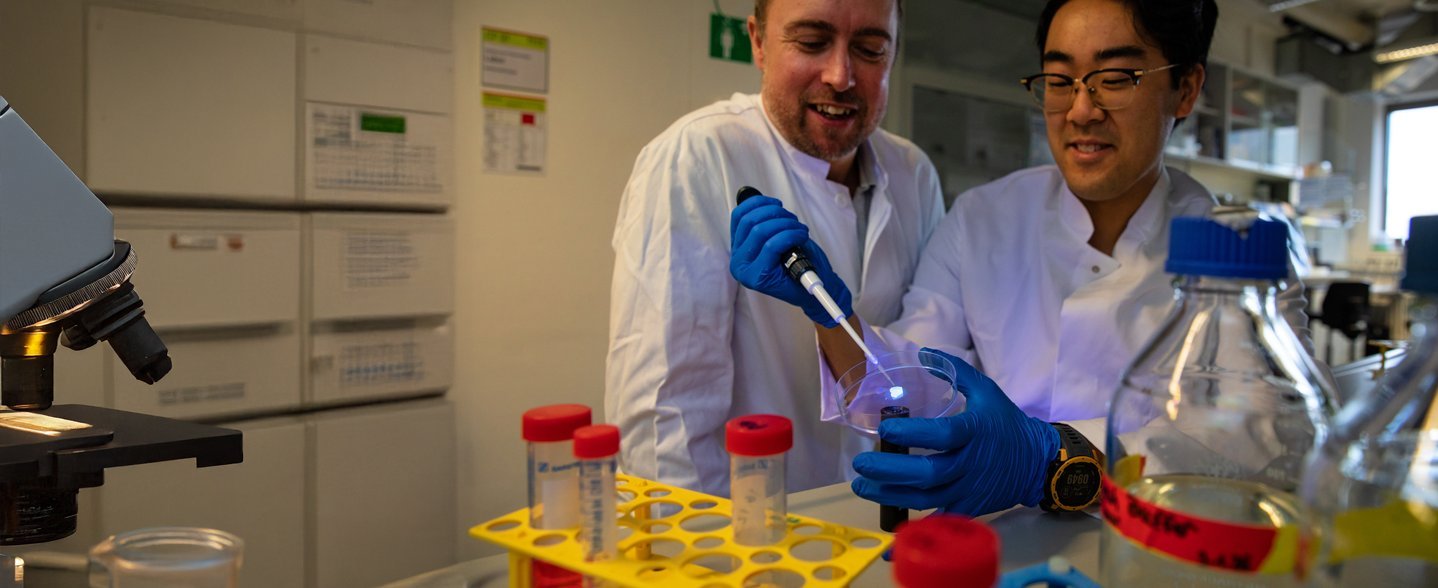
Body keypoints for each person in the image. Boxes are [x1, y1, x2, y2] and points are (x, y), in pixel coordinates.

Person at [734, 0, 1312, 516]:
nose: (1081, 110)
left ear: (1185, 88)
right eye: (1059, 80)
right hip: (997, 548)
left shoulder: (1239, 252)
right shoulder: (982, 219)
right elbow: (911, 382)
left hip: (1155, 553)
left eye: (1114, 77)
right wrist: (832, 315)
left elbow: (1262, 440)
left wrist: (1051, 460)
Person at [606, 0, 945, 497]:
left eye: (870, 49)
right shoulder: (699, 155)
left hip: (891, 516)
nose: (840, 76)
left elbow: (921, 368)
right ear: (759, 42)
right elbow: (666, 415)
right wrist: (687, 556)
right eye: (811, 43)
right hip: (749, 535)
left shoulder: (913, 172)